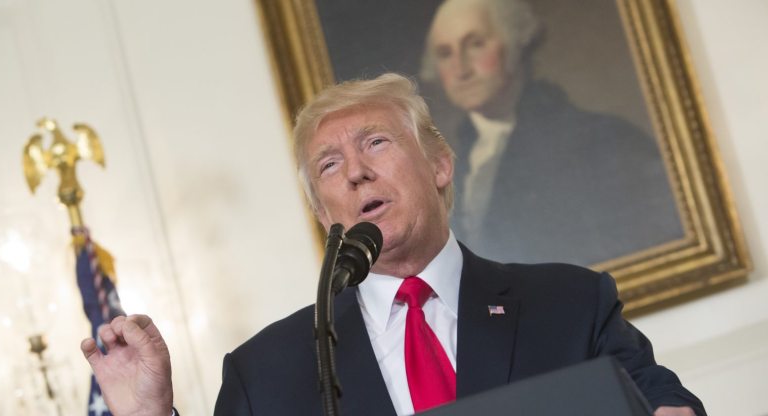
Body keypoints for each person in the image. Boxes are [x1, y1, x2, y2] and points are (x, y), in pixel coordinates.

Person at [81, 73, 704, 416]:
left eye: (375, 143)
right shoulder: (265, 373)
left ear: (439, 163)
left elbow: (665, 403)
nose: (354, 172)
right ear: (325, 215)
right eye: (328, 165)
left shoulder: (570, 302)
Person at [420, 0, 684, 265]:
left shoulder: (603, 141)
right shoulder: (451, 167)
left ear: (515, 43)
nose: (461, 69)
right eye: (445, 53)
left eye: (476, 44)